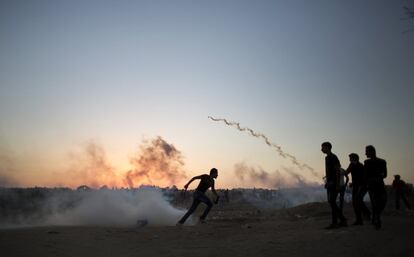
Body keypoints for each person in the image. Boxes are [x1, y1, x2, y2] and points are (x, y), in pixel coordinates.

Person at [321, 142, 347, 229]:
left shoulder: (333, 157)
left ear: (328, 148)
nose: (321, 149)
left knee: (332, 202)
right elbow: (329, 172)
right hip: (330, 183)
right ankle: (341, 220)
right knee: (331, 202)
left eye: (323, 148)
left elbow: (337, 171)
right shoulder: (327, 158)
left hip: (334, 184)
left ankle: (337, 222)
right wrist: (327, 182)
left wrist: (337, 184)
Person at [364, 145, 387, 229]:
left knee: (377, 202)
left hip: (374, 184)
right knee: (377, 202)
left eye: (366, 151)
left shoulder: (379, 162)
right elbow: (384, 175)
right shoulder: (380, 161)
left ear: (371, 152)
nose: (365, 153)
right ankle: (376, 218)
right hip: (376, 184)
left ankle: (376, 217)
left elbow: (384, 174)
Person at [346, 153, 371, 225]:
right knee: (356, 202)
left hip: (362, 186)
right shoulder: (351, 165)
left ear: (354, 158)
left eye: (350, 158)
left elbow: (363, 178)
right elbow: (346, 172)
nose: (349, 159)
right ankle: (364, 215)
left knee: (357, 201)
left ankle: (361, 218)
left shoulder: (361, 166)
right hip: (356, 186)